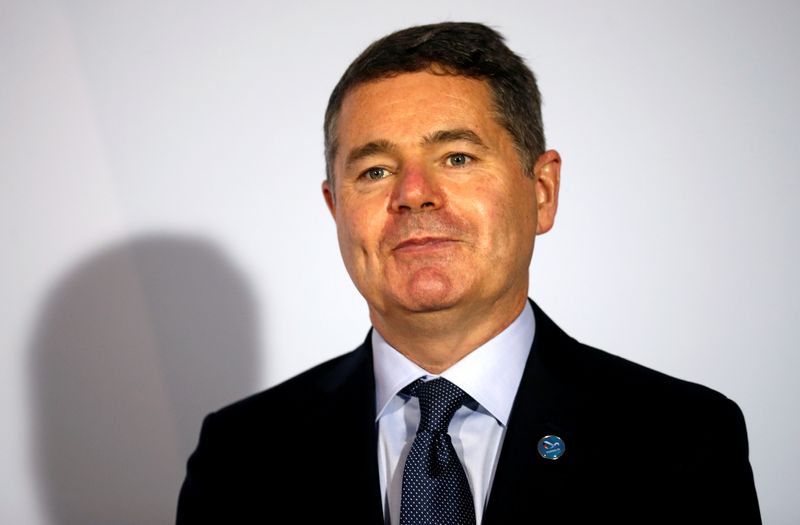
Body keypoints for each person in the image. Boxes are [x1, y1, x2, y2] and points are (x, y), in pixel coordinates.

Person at [176, 22, 761, 524]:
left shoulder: (681, 440)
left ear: (542, 191)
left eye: (456, 157)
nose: (413, 195)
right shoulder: (241, 455)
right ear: (336, 209)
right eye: (375, 170)